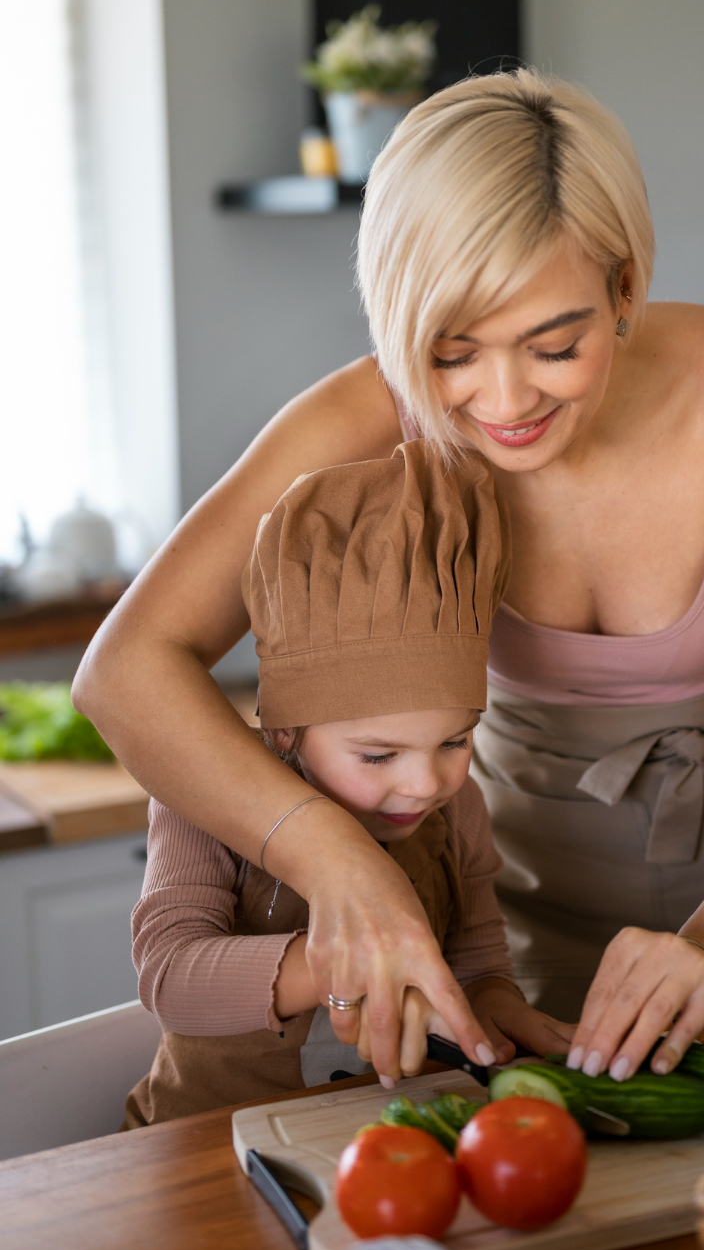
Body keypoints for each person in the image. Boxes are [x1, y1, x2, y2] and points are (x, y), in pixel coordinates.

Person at [76, 68, 704, 1091]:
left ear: (624, 291)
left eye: (553, 346)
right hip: (522, 930)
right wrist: (331, 856)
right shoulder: (365, 418)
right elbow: (124, 672)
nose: (504, 401)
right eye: (449, 353)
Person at [125, 440, 572, 1125]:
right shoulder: (202, 798)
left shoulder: (459, 808)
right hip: (200, 1145)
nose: (425, 783)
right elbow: (170, 978)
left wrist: (494, 1004)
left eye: (455, 741)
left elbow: (478, 958)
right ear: (286, 733)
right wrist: (348, 959)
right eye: (377, 755)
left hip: (378, 1138)